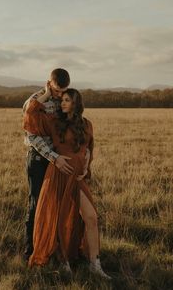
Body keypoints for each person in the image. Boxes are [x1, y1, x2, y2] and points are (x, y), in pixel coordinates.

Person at [23, 85, 111, 279]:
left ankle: (95, 265)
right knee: (60, 219)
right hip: (59, 175)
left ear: (76, 103)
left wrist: (86, 166)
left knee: (91, 218)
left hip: (77, 177)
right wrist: (45, 93)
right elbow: (31, 113)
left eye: (66, 100)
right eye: (61, 100)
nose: (61, 103)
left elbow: (88, 148)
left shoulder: (87, 124)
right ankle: (64, 262)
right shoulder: (55, 123)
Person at [23, 68, 74, 260]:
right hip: (39, 159)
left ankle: (51, 246)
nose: (60, 95)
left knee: (56, 204)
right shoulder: (34, 102)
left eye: (64, 91)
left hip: (58, 161)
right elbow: (33, 138)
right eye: (57, 90)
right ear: (49, 83)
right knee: (36, 204)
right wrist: (54, 157)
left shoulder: (63, 100)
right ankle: (30, 250)